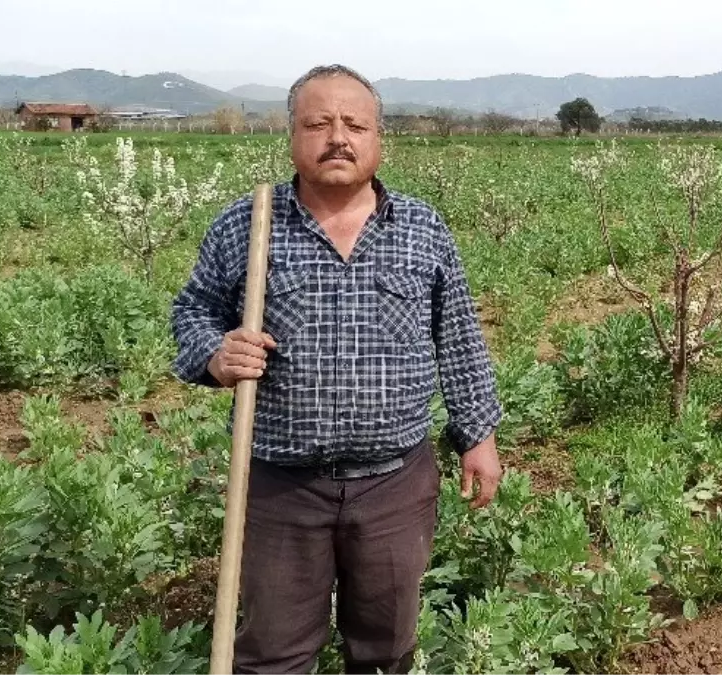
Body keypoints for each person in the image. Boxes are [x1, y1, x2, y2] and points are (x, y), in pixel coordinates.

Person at [169, 63, 504, 675]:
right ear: (292, 136)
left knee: (384, 646)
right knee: (275, 651)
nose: (338, 137)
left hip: (395, 483)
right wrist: (215, 355)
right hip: (278, 484)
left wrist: (477, 436)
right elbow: (192, 312)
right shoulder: (247, 225)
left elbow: (458, 336)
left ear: (379, 139)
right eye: (318, 123)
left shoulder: (422, 229)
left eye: (355, 123)